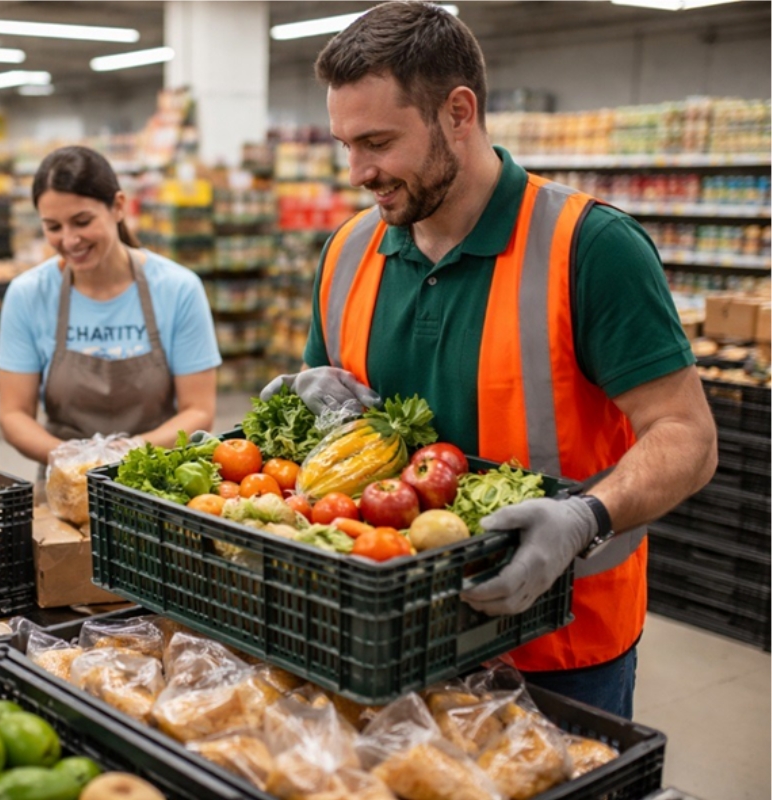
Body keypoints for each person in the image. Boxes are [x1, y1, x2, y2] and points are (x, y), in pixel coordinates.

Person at [263, 1, 717, 718]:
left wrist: (587, 517)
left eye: (377, 141)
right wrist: (307, 402)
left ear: (458, 112)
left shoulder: (590, 248)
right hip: (383, 630)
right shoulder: (348, 250)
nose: (357, 171)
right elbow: (335, 422)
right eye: (345, 144)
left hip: (554, 647)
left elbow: (688, 438)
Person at [0, 145, 220, 470]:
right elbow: (14, 414)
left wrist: (126, 454)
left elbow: (198, 410)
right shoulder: (28, 294)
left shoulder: (177, 289)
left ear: (117, 207)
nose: (70, 240)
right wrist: (74, 461)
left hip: (154, 479)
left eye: (82, 221)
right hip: (66, 482)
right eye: (54, 227)